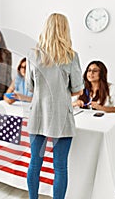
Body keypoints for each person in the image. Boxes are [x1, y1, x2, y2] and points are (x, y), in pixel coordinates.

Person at [25, 13, 84, 199]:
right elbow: (77, 90)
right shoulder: (71, 56)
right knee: (60, 167)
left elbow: (30, 87)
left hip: (38, 115)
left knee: (35, 163)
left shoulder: (32, 55)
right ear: (65, 30)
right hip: (62, 116)